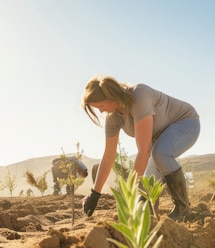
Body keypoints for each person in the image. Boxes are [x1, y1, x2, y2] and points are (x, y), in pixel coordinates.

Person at [81, 75, 200, 220]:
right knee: (143, 193)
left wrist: (130, 193)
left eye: (101, 106)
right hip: (159, 142)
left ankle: (183, 209)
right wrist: (95, 194)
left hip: (186, 123)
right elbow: (108, 156)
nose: (100, 111)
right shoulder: (112, 118)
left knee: (160, 154)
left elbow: (144, 151)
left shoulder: (139, 96)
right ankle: (150, 220)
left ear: (111, 97)